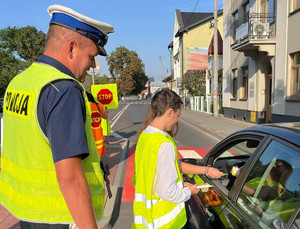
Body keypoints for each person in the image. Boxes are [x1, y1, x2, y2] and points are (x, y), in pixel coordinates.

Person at [0, 4, 114, 229]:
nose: (92, 65)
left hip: (28, 214)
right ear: (71, 47)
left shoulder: (20, 82)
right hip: (61, 217)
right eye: (91, 56)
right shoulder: (64, 90)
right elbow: (70, 178)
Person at [132, 88, 224, 229]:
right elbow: (168, 192)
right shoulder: (164, 144)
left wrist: (180, 185)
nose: (176, 121)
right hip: (167, 223)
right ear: (170, 112)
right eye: (177, 115)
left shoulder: (145, 137)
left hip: (147, 220)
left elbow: (151, 177)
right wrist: (189, 192)